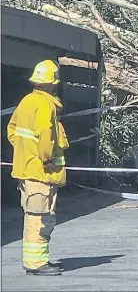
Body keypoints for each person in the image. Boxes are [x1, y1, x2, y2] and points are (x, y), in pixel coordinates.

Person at [7, 60, 69, 276]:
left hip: (29, 171)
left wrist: (25, 151)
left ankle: (36, 261)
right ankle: (36, 263)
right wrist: (45, 159)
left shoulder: (26, 102)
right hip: (41, 173)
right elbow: (46, 135)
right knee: (40, 218)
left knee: (35, 216)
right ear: (54, 83)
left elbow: (12, 130)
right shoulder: (45, 105)